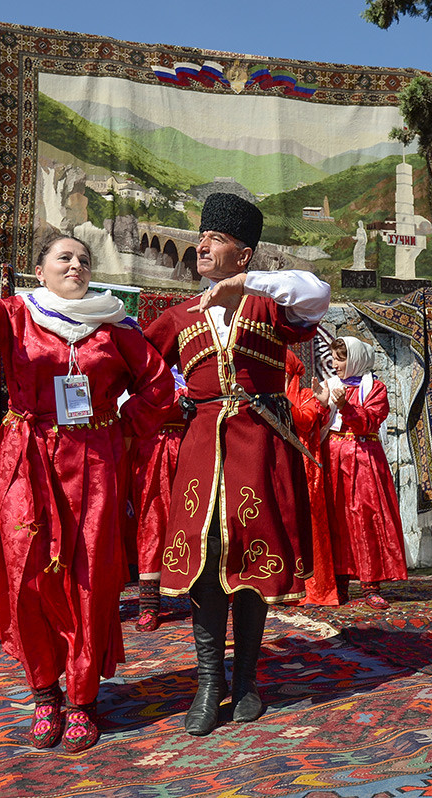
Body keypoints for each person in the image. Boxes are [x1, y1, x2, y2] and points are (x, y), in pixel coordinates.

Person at [0, 178, 172, 753]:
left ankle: (82, 699)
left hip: (92, 463)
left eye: (83, 258)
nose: (75, 264)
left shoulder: (116, 328)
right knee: (25, 576)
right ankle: (44, 693)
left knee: (89, 579)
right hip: (25, 460)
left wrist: (121, 428)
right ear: (41, 270)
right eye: (63, 257)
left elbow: (160, 389)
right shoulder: (17, 316)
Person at [145, 191, 331, 736]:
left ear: (243, 255)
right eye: (202, 236)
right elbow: (133, 369)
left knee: (254, 564)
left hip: (261, 450)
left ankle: (246, 679)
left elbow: (317, 294)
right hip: (202, 453)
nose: (201, 245)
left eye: (216, 239)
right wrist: (160, 406)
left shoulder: (272, 305)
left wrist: (248, 286)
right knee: (204, 566)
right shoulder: (177, 315)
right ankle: (209, 681)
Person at [314, 336, 408, 608]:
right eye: (334, 357)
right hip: (333, 460)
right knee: (336, 518)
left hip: (364, 460)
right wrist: (321, 405)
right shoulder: (330, 386)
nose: (335, 363)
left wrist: (345, 406)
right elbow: (317, 424)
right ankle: (339, 584)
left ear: (356, 360)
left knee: (365, 517)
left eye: (342, 358)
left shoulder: (375, 388)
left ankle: (370, 585)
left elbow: (369, 421)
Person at [130, 367, 188, 631]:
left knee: (194, 520)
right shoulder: (140, 371)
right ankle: (149, 605)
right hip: (151, 451)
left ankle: (203, 594)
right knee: (151, 525)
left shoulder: (195, 364)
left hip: (190, 446)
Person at [285, 351, 337, 606]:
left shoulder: (305, 396)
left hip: (303, 471)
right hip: (276, 468)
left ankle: (311, 587)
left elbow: (305, 421)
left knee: (306, 525)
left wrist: (281, 403)